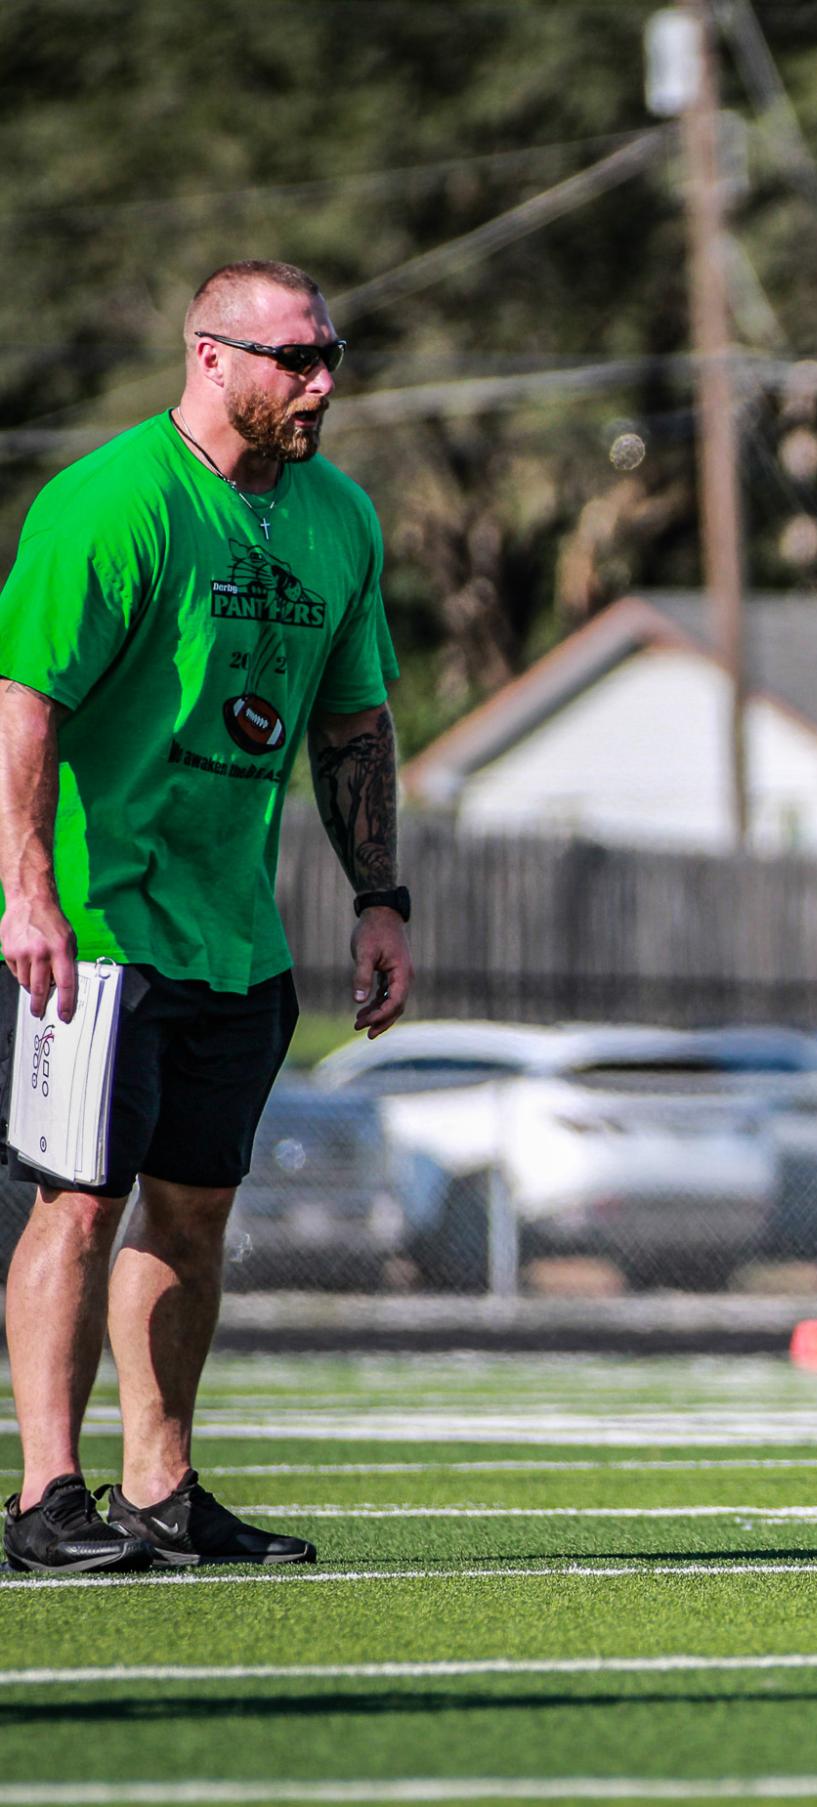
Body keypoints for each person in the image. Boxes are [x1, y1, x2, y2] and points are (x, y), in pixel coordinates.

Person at [0, 260, 411, 1575]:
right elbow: (26, 704)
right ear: (211, 356)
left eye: (329, 354)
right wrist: (29, 890)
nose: (322, 381)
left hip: (236, 935)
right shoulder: (114, 504)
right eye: (296, 357)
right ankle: (45, 1495)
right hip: (102, 927)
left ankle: (162, 1488)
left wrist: (380, 896)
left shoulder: (338, 518)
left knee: (191, 1213)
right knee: (75, 1201)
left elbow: (353, 722)